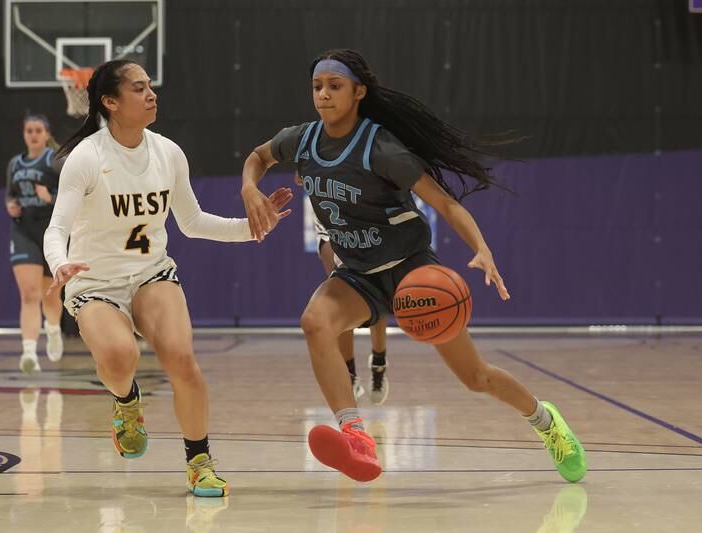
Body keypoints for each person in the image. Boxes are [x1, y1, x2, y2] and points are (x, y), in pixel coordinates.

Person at [241, 49, 586, 483]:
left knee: (476, 377)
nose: (324, 95)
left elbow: (445, 203)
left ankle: (547, 422)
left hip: (411, 272)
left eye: (335, 86)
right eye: (317, 87)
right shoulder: (302, 140)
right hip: (358, 275)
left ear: (359, 92)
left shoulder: (379, 148)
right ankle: (356, 437)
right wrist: (250, 189)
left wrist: (482, 247)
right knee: (315, 322)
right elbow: (257, 156)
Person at [44, 59, 292, 497]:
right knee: (120, 358)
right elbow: (57, 227)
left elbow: (192, 222)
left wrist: (251, 226)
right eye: (139, 89)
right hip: (94, 282)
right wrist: (59, 262)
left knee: (182, 359)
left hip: (151, 273)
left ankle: (199, 462)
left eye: (151, 86)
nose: (151, 94)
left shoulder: (168, 152)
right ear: (111, 102)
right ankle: (125, 402)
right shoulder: (86, 158)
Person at [305, 185, 390, 405]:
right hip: (329, 216)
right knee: (341, 288)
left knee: (376, 288)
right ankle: (350, 372)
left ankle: (379, 361)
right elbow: (298, 166)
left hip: (362, 210)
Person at [6, 114, 65, 373]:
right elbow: (11, 194)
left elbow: (73, 196)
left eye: (38, 130)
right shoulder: (14, 164)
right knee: (29, 295)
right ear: (24, 133)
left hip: (51, 233)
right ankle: (28, 352)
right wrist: (10, 206)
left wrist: (50, 197)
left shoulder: (56, 160)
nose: (33, 134)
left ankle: (53, 330)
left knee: (50, 297)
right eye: (29, 130)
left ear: (46, 133)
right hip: (24, 231)